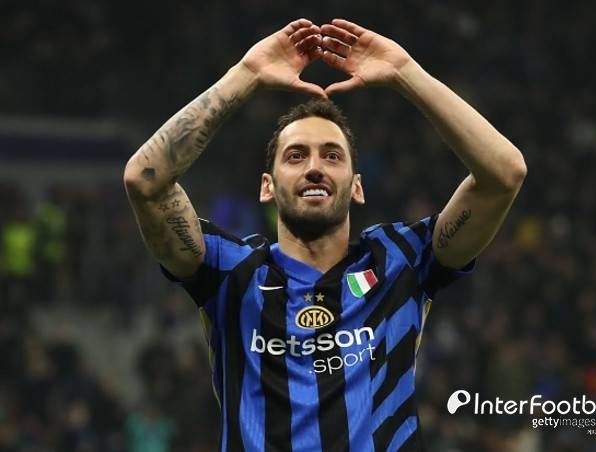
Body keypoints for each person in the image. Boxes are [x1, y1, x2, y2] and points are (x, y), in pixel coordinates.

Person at [124, 18, 526, 452]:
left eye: (332, 156)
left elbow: (504, 174)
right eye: (296, 156)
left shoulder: (401, 260)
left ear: (356, 186)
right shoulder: (229, 271)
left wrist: (406, 74)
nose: (314, 167)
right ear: (267, 186)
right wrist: (246, 75)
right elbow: (145, 181)